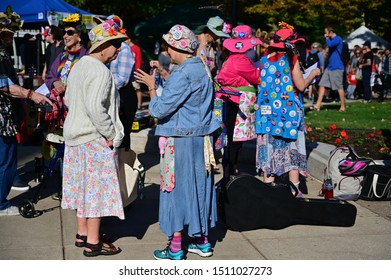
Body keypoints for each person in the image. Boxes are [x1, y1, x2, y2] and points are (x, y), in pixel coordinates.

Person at [134, 24, 221, 260]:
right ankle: (202, 242)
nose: (167, 51)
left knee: (175, 190)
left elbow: (159, 110)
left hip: (180, 141)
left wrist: (152, 87)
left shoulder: (183, 74)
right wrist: (164, 74)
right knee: (199, 189)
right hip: (201, 140)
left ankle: (175, 248)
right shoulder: (202, 67)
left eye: (168, 47)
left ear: (176, 47)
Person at [61, 19, 127, 257]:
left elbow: (69, 99)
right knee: (96, 192)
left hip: (74, 137)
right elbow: (97, 109)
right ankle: (94, 241)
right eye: (115, 44)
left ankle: (81, 234)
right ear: (101, 45)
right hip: (93, 137)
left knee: (82, 189)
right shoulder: (101, 71)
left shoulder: (79, 65)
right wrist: (111, 134)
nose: (118, 49)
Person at [255, 22, 320, 195]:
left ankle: (268, 188)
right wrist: (313, 74)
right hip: (289, 113)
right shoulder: (292, 60)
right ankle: (293, 190)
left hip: (268, 113)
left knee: (269, 149)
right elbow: (300, 85)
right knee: (292, 150)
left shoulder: (264, 61)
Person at [0, 6, 52, 216]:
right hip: (2, 117)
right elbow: (4, 86)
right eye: (8, 31)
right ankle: (1, 205)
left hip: (6, 114)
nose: (11, 35)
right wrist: (32, 95)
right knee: (6, 160)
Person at [215, 25, 262, 176]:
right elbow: (255, 77)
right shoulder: (241, 60)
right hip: (239, 103)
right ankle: (229, 173)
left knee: (232, 138)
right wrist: (260, 69)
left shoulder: (230, 59)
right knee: (234, 140)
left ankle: (230, 171)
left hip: (232, 100)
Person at [106, 15, 136, 151]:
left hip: (123, 94)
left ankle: (124, 169)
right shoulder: (106, 48)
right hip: (111, 92)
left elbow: (123, 78)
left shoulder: (124, 49)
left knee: (122, 136)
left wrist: (103, 86)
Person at [311, 25, 346, 112]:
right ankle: (318, 105)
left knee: (339, 87)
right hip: (330, 67)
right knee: (322, 85)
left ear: (330, 32)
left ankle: (343, 106)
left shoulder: (337, 39)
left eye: (326, 32)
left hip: (337, 67)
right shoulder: (331, 40)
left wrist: (326, 38)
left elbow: (330, 45)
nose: (325, 34)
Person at [127, 35, 143, 112]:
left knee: (137, 88)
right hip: (128, 72)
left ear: (129, 39)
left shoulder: (136, 48)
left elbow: (138, 60)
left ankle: (139, 104)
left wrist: (137, 71)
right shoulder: (125, 49)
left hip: (135, 71)